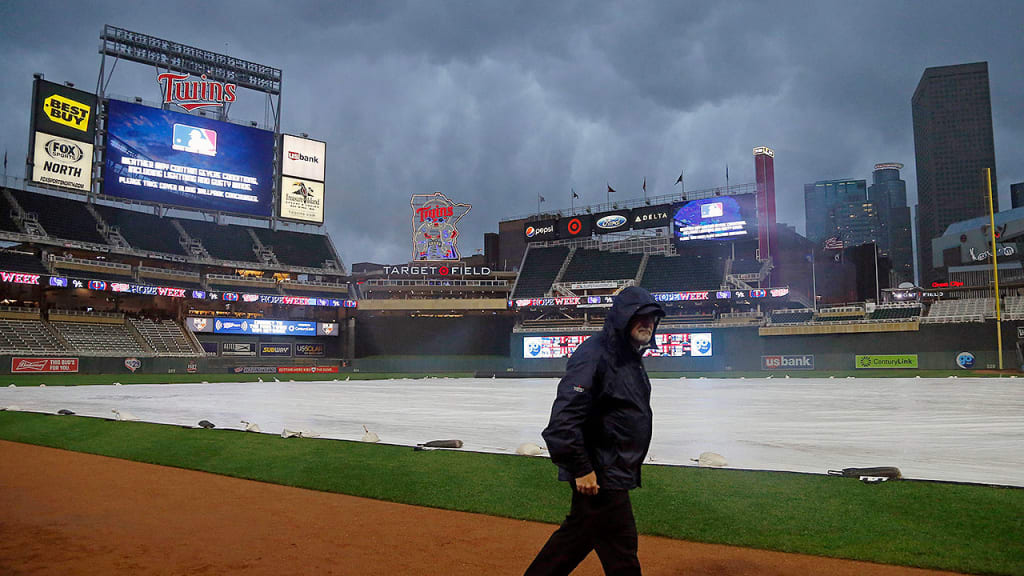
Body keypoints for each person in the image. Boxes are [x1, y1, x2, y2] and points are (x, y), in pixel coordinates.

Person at [525, 286, 665, 576]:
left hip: (611, 469)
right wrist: (581, 468)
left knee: (574, 542)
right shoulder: (595, 354)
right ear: (623, 318)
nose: (647, 323)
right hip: (601, 472)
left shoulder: (628, 357)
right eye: (640, 317)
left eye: (652, 318)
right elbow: (563, 420)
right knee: (621, 553)